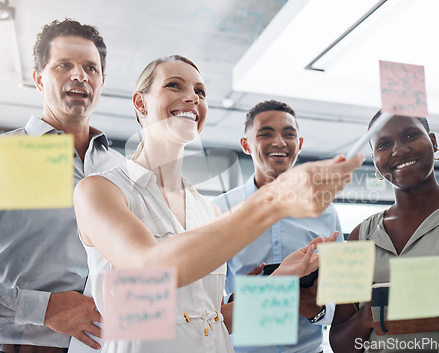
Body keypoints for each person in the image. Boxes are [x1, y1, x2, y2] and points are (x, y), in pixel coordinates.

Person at [72, 55, 365, 353]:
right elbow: (151, 269)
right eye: (174, 85)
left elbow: (212, 320)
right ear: (140, 103)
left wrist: (281, 280)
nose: (192, 97)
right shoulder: (100, 191)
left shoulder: (207, 211)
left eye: (200, 92)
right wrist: (273, 200)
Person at [0, 19, 124, 353]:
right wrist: (43, 308)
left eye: (90, 68)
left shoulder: (123, 171)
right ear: (38, 78)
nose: (80, 75)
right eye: (64, 65)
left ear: (102, 82)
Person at [330, 113, 439, 353]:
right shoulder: (358, 235)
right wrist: (366, 316)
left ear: (433, 142)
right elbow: (341, 346)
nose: (399, 150)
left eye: (410, 135)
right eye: (383, 144)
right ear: (374, 159)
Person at [213, 99, 342, 353]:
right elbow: (204, 299)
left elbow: (345, 295)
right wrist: (238, 300)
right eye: (266, 134)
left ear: (300, 144)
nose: (279, 142)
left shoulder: (325, 212)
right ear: (246, 145)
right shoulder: (219, 210)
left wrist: (317, 309)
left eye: (289, 134)